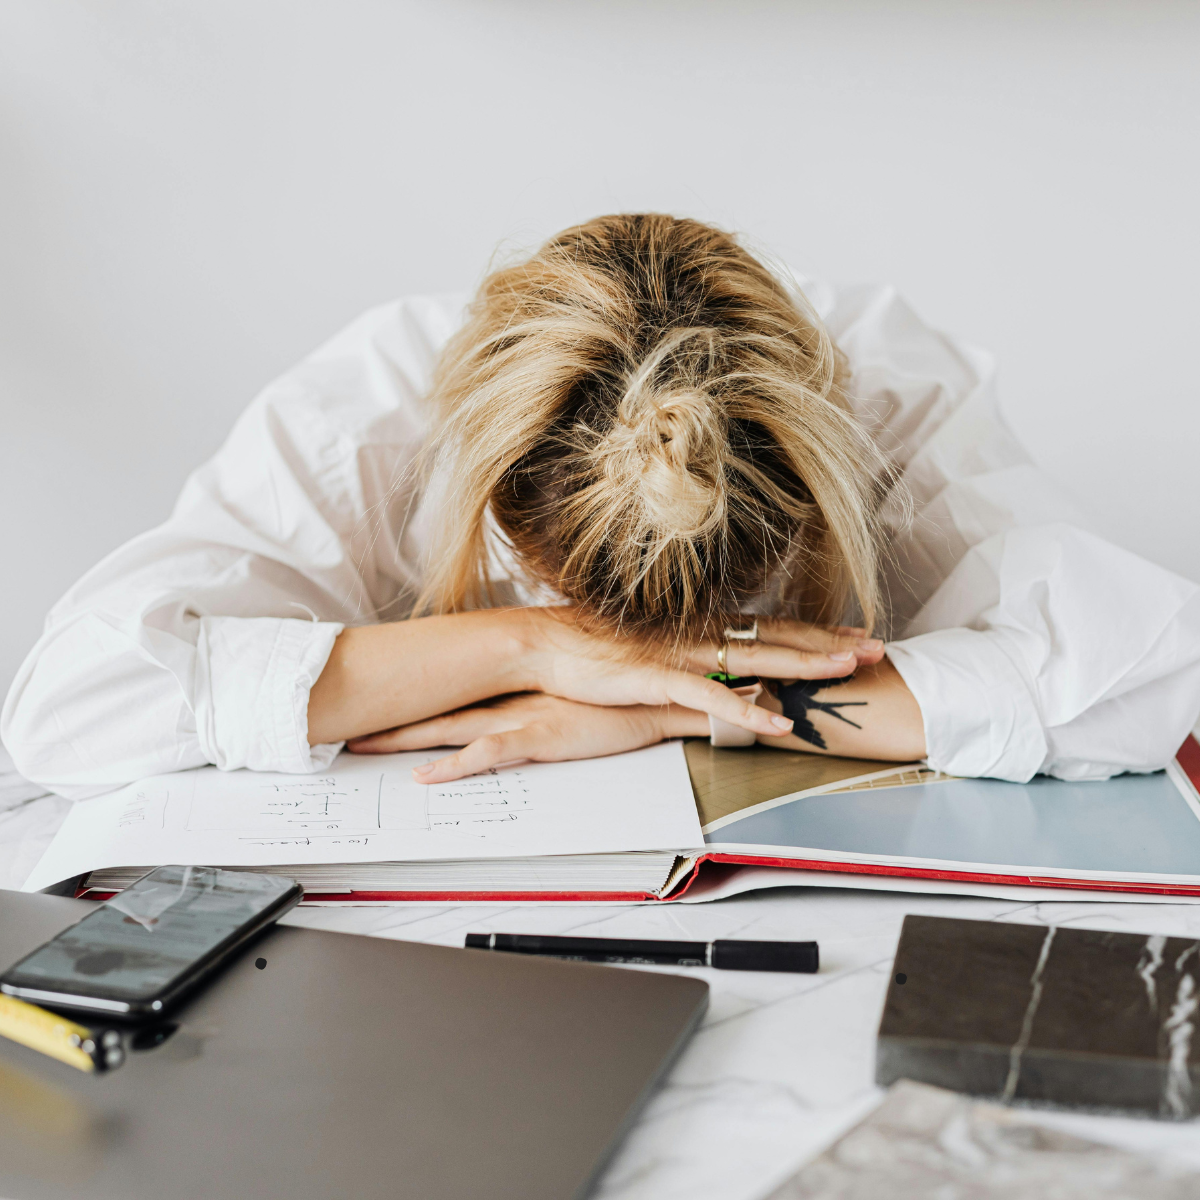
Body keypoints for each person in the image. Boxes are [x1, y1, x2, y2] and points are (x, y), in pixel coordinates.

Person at [4, 214, 1200, 800]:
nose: (626, 659)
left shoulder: (880, 390)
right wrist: (532, 649)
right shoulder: (370, 407)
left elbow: (1155, 674)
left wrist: (683, 702)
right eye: (574, 607)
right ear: (492, 498)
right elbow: (70, 711)